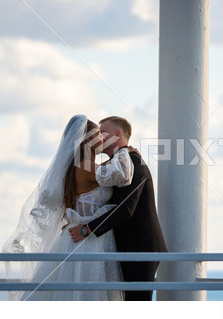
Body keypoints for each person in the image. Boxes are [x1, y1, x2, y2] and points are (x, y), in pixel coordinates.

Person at [0, 114, 136, 301]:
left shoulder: (80, 166)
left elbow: (104, 172)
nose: (103, 139)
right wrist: (123, 150)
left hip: (79, 235)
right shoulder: (86, 167)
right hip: (88, 241)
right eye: (98, 135)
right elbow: (122, 175)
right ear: (87, 140)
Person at [69, 116, 168, 301]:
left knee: (136, 303)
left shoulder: (132, 163)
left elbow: (126, 208)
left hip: (140, 245)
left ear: (118, 133)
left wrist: (87, 228)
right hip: (120, 245)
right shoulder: (112, 166)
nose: (99, 137)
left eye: (102, 132)